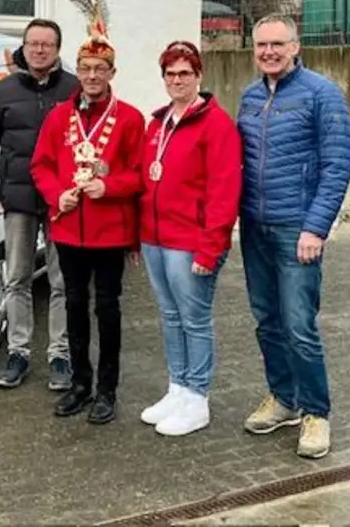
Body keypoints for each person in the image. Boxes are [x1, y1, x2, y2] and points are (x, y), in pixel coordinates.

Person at [236, 14, 350, 460]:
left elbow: (337, 164)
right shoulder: (249, 97)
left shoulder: (322, 94)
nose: (269, 52)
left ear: (295, 46)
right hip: (254, 227)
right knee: (266, 319)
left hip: (296, 230)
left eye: (277, 44)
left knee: (299, 325)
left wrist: (315, 227)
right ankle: (284, 399)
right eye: (261, 45)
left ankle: (316, 413)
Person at [30, 20, 145, 425]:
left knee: (107, 309)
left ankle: (107, 390)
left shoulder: (130, 119)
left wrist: (108, 186)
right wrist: (54, 193)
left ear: (112, 73)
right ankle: (80, 384)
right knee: (74, 306)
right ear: (76, 72)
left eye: (100, 69)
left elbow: (139, 174)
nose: (92, 76)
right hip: (68, 227)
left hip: (110, 230)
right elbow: (41, 165)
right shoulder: (60, 116)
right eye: (85, 69)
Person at [136, 40, 242, 437]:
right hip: (155, 238)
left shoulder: (217, 125)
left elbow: (224, 191)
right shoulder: (158, 122)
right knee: (169, 316)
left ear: (199, 76)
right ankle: (177, 387)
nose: (177, 80)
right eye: (170, 73)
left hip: (190, 241)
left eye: (185, 73)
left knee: (194, 319)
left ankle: (197, 396)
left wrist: (211, 246)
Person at [0, 19, 79, 391]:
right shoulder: (3, 90)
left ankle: (60, 355)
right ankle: (17, 352)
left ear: (57, 49)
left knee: (61, 280)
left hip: (62, 202)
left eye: (46, 44)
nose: (39, 50)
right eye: (33, 44)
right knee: (17, 278)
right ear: (24, 47)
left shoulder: (74, 89)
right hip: (17, 199)